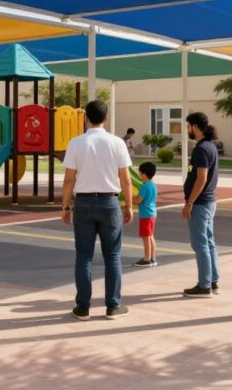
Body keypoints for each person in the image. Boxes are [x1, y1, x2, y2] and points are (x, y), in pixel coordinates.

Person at [61, 99, 133, 321]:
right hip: (110, 203)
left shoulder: (76, 143)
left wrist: (65, 207)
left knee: (84, 257)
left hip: (82, 203)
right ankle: (113, 306)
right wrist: (129, 206)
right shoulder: (117, 143)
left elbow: (68, 180)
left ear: (85, 118)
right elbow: (126, 179)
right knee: (112, 256)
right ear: (106, 118)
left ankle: (82, 307)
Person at [182, 112, 221, 298]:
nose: (187, 130)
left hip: (200, 203)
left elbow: (201, 178)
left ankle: (204, 285)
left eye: (188, 126)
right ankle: (212, 281)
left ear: (195, 127)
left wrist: (189, 202)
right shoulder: (210, 146)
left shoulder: (202, 149)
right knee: (209, 242)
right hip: (208, 201)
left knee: (200, 244)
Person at [133, 161, 158, 268]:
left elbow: (139, 200)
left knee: (146, 237)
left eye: (139, 173)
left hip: (145, 215)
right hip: (152, 214)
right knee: (151, 236)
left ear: (144, 174)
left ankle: (147, 259)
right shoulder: (153, 185)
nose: (139, 175)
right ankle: (152, 258)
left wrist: (130, 198)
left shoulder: (144, 187)